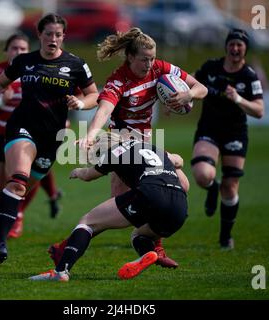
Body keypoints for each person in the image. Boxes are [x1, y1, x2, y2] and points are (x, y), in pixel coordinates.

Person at [59, 27, 206, 268]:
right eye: (143, 59)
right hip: (120, 139)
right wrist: (90, 135)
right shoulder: (119, 80)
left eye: (151, 58)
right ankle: (74, 247)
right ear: (130, 57)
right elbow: (104, 110)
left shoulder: (160, 68)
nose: (149, 64)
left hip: (146, 139)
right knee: (121, 203)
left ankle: (149, 245)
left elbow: (203, 88)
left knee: (180, 185)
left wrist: (187, 95)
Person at [0, 13, 99, 263]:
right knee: (18, 181)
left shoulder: (76, 64)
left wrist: (81, 103)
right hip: (21, 128)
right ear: (39, 35)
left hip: (51, 139)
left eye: (58, 34)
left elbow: (94, 94)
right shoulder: (25, 61)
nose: (53, 39)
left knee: (13, 193)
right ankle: (0, 243)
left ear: (64, 36)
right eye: (49, 33)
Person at [29, 133, 190, 281]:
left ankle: (60, 272)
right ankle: (148, 253)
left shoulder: (114, 152)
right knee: (140, 235)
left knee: (88, 221)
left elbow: (88, 175)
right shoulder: (150, 147)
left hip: (151, 193)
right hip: (180, 207)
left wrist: (78, 172)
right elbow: (179, 160)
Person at [0, 33, 63, 241]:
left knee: (19, 179)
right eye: (14, 48)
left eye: (23, 49)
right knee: (0, 186)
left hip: (29, 134)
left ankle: (17, 216)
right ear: (6, 51)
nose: (18, 52)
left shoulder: (35, 68)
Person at [191, 28, 264, 249]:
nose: (234, 48)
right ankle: (213, 188)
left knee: (231, 187)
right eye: (231, 44)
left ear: (245, 49)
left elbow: (259, 111)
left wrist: (239, 99)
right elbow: (192, 83)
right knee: (203, 175)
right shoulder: (211, 67)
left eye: (239, 45)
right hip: (209, 129)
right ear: (226, 46)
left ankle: (225, 236)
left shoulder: (249, 76)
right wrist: (183, 98)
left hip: (235, 133)